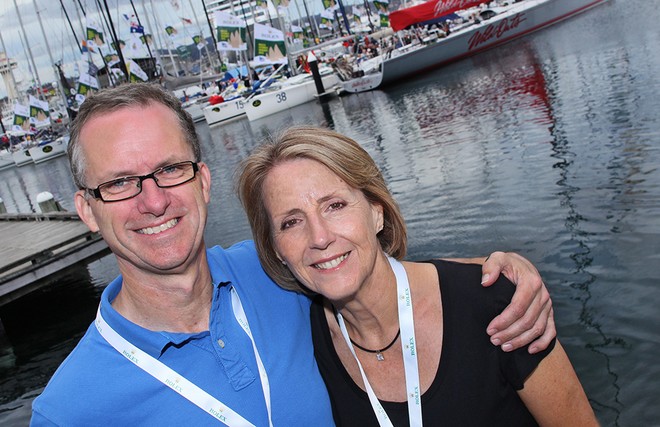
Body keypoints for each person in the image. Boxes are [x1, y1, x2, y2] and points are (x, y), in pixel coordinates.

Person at [32, 84, 552, 425]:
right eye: (120, 182)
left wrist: (503, 273)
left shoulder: (278, 273)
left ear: (203, 180)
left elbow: (376, 268)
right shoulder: (69, 411)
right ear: (87, 208)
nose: (153, 200)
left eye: (171, 169)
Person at [237, 126, 598, 426]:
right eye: (291, 222)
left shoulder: (494, 305)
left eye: (335, 205)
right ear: (278, 252)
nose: (319, 237)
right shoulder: (303, 340)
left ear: (377, 212)